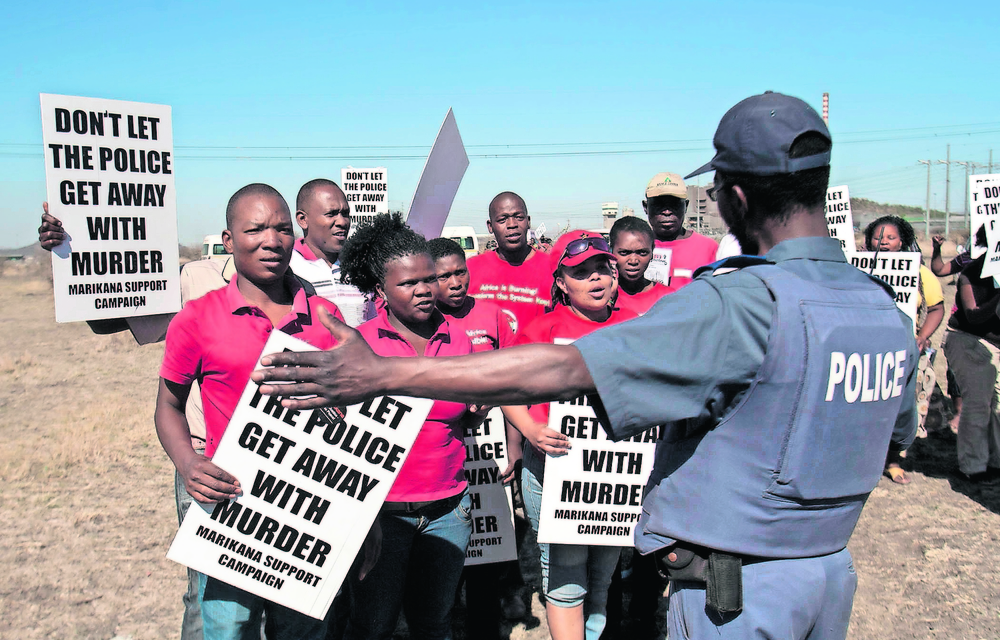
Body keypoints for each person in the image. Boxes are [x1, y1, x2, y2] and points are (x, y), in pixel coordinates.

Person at [252, 91, 917, 640]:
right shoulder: (882, 310)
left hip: (739, 600)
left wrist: (387, 374)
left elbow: (566, 369)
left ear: (735, 198)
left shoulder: (745, 302)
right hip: (829, 580)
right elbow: (896, 437)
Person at [155, 183, 347, 640]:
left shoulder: (324, 316)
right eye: (255, 229)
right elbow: (168, 406)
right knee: (228, 628)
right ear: (228, 241)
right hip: (229, 504)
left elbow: (348, 416)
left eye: (282, 228)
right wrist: (189, 463)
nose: (271, 240)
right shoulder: (197, 318)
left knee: (301, 631)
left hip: (306, 508)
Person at [337, 214, 475, 640]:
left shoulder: (460, 339)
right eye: (408, 283)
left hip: (449, 510)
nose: (423, 290)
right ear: (380, 290)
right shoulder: (357, 344)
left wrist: (477, 410)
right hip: (380, 516)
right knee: (373, 625)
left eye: (428, 279)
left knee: (435, 623)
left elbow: (460, 420)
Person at [503, 230, 636, 640]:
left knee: (602, 577)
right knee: (564, 574)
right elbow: (507, 389)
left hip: (614, 475)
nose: (596, 278)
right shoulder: (540, 329)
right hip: (552, 471)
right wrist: (530, 431)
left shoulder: (636, 326)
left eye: (601, 268)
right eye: (581, 272)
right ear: (561, 282)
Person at [426, 236, 526, 639]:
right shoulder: (422, 321)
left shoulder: (493, 315)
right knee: (445, 566)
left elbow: (515, 384)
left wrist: (515, 445)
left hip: (489, 455)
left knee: (487, 552)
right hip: (441, 460)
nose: (454, 282)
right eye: (443, 276)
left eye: (459, 272)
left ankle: (486, 627)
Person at [864, 216, 944, 468]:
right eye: (878, 238)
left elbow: (937, 308)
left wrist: (922, 337)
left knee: (901, 407)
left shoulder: (921, 273)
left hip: (908, 350)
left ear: (902, 242)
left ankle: (892, 460)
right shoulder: (859, 269)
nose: (884, 243)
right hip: (869, 350)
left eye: (890, 238)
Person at [942, 229, 1000, 483]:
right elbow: (974, 314)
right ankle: (973, 466)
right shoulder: (974, 271)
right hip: (970, 342)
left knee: (997, 407)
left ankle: (995, 461)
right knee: (978, 404)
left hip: (993, 347)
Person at [292, 179, 375, 327]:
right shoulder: (288, 268)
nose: (342, 222)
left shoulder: (361, 268)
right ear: (303, 220)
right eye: (331, 214)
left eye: (345, 213)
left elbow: (374, 325)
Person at [466, 192, 554, 332]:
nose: (512, 225)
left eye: (519, 217)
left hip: (538, 353)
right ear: (490, 226)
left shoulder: (553, 268)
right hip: (487, 354)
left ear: (528, 221)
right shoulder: (470, 269)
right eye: (502, 219)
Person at [931, 228, 986, 434]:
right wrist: (937, 250)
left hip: (991, 336)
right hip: (963, 329)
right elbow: (940, 270)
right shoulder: (970, 259)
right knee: (956, 375)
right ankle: (959, 413)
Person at [642, 172, 719, 288]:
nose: (667, 212)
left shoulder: (709, 248)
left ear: (686, 206)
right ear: (645, 207)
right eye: (659, 204)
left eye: (674, 204)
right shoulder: (633, 249)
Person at [608, 217, 674, 316]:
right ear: (611, 251)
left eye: (642, 253)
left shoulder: (668, 297)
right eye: (624, 253)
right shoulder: (601, 297)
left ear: (652, 251)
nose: (633, 261)